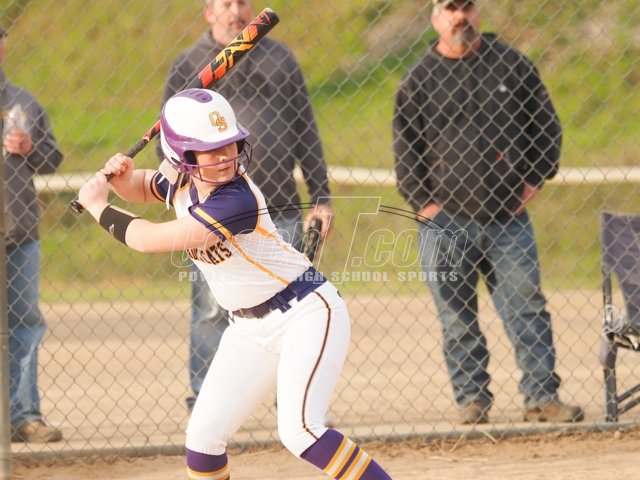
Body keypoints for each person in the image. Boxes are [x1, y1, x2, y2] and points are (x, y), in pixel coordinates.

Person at [78, 88, 391, 479]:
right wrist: (122, 180)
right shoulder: (181, 178)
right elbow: (144, 187)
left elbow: (146, 239)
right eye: (210, 150)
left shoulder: (235, 199)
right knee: (202, 443)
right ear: (182, 157)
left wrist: (98, 206)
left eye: (229, 144)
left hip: (305, 312)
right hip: (247, 328)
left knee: (300, 431)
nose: (225, 156)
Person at [392, 0, 584, 425]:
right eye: (450, 8)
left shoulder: (512, 65)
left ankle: (542, 397)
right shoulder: (418, 78)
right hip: (445, 224)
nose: (460, 15)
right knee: (457, 319)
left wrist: (533, 178)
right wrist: (425, 204)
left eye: (468, 6)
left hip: (508, 221)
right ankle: (472, 400)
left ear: (477, 12)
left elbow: (547, 127)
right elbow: (406, 150)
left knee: (527, 309)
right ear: (436, 17)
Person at [158, 0, 333, 410]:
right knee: (211, 310)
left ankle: (291, 399)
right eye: (226, 3)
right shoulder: (189, 65)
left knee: (291, 305)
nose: (236, 10)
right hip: (213, 214)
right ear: (208, 11)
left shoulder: (280, 58)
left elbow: (305, 128)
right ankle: (207, 398)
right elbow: (169, 143)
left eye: (243, 2)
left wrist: (321, 196)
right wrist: (180, 193)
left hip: (278, 207)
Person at [1, 24, 64, 442]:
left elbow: (53, 159)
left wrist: (30, 149)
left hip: (19, 231)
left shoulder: (23, 102)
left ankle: (24, 415)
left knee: (24, 323)